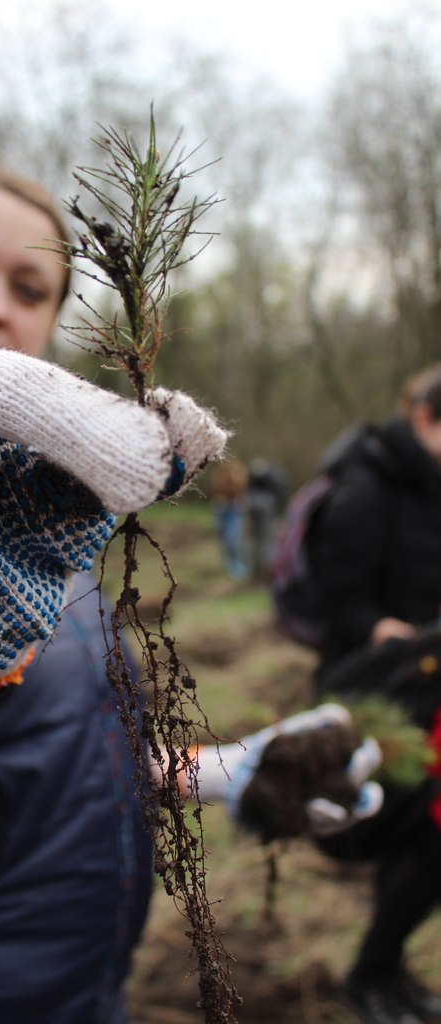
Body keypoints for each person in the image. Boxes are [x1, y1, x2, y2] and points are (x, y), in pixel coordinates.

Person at [0, 164, 382, 1024]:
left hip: (85, 991)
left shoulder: (45, 517)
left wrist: (222, 775)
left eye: (29, 287)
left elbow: (61, 751)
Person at [308, 363, 441, 1024]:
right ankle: (370, 974)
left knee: (429, 831)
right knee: (397, 828)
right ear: (424, 418)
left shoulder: (430, 481)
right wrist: (377, 629)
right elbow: (336, 598)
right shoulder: (365, 485)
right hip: (375, 690)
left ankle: (381, 968)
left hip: (430, 685)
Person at [209, 457, 249, 581]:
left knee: (233, 537)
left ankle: (237, 565)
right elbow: (214, 489)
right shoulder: (219, 475)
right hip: (222, 507)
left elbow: (242, 489)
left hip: (234, 509)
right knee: (223, 537)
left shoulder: (240, 474)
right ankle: (228, 563)